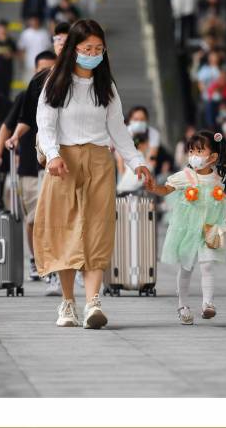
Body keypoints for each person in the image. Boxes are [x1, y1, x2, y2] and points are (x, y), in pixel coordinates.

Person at [34, 19, 153, 329]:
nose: (93, 54)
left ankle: (93, 303)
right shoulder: (55, 83)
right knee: (65, 229)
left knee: (98, 229)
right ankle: (67, 303)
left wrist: (137, 160)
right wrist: (53, 155)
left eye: (98, 49)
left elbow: (118, 129)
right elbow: (44, 125)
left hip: (100, 160)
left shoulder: (106, 85)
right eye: (87, 49)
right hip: (64, 163)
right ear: (72, 49)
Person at [4, 21, 70, 295]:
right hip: (50, 160)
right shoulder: (40, 81)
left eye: (67, 40)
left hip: (80, 155)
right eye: (58, 40)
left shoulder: (89, 76)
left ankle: (74, 268)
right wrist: (16, 136)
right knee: (48, 217)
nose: (62, 44)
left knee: (73, 218)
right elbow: (28, 118)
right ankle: (52, 270)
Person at [146, 130, 226, 325]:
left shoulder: (218, 177)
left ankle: (208, 303)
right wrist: (154, 188)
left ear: (213, 157)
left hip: (211, 227)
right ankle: (183, 305)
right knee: (187, 267)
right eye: (191, 150)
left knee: (208, 264)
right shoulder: (185, 175)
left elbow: (221, 200)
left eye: (199, 151)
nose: (193, 155)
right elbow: (166, 189)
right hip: (188, 228)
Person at [0, 51, 57, 282]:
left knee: (54, 217)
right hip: (29, 166)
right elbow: (10, 125)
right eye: (41, 70)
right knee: (34, 220)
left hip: (56, 166)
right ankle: (35, 258)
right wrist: (0, 150)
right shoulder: (27, 95)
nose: (46, 74)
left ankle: (54, 263)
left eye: (51, 69)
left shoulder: (64, 94)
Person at [126, 106, 161, 172]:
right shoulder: (124, 133)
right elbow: (120, 159)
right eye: (136, 119)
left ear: (147, 120)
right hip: (127, 169)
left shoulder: (154, 134)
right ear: (130, 120)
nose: (139, 122)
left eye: (142, 119)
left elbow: (152, 157)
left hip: (146, 168)